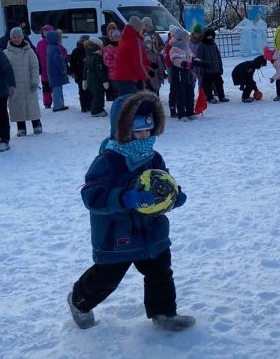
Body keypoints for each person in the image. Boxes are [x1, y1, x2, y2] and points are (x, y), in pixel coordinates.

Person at [67, 90, 194, 332]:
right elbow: (91, 195)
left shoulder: (153, 157)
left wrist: (173, 195)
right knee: (107, 276)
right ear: (122, 131)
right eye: (138, 132)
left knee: (160, 271)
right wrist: (124, 197)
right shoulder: (108, 160)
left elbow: (163, 180)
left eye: (148, 130)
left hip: (151, 230)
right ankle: (79, 301)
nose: (144, 137)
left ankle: (164, 313)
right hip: (117, 233)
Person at [4, 27, 42, 136]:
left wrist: (35, 80)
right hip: (15, 86)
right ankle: (21, 127)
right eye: (14, 37)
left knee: (32, 105)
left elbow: (34, 67)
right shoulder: (6, 53)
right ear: (11, 38)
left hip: (29, 83)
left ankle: (36, 124)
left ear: (22, 37)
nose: (16, 39)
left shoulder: (29, 51)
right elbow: (4, 70)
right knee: (17, 106)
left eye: (18, 37)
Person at [110, 16, 148, 96]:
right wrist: (145, 77)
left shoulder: (124, 38)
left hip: (119, 75)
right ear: (138, 29)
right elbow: (137, 62)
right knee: (129, 103)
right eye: (142, 29)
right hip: (128, 76)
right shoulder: (135, 40)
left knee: (124, 101)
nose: (143, 31)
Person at [168, 28, 197, 119]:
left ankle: (190, 112)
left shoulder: (187, 47)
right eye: (185, 37)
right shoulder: (174, 49)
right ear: (180, 38)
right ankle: (181, 113)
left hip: (188, 73)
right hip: (179, 73)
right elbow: (175, 59)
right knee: (181, 93)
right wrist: (183, 63)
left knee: (190, 92)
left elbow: (192, 56)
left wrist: (198, 61)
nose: (187, 39)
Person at [197, 28, 229, 102]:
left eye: (212, 36)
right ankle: (210, 97)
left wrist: (220, 67)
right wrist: (202, 68)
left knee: (219, 83)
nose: (210, 38)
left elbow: (218, 57)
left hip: (216, 68)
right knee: (208, 85)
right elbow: (199, 58)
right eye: (209, 36)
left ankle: (221, 96)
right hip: (207, 70)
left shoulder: (214, 44)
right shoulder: (202, 45)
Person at [83, 37, 108, 117]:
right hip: (96, 80)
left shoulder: (88, 56)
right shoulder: (97, 57)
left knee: (97, 94)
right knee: (98, 94)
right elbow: (100, 70)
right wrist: (105, 81)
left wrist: (84, 80)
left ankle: (99, 108)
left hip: (90, 79)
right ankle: (96, 111)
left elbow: (85, 69)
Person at [46, 29, 69, 112]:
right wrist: (62, 69)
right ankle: (58, 106)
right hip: (56, 73)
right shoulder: (56, 48)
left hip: (52, 72)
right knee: (57, 90)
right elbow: (58, 60)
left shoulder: (49, 47)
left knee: (57, 89)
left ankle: (60, 104)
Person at [69, 35, 91, 112]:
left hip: (89, 74)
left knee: (90, 90)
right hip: (79, 74)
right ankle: (84, 106)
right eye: (82, 41)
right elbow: (72, 63)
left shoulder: (90, 50)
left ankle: (89, 105)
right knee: (82, 91)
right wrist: (72, 72)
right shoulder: (75, 51)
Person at [35, 23, 55, 108]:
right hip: (44, 70)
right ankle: (47, 103)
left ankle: (57, 102)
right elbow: (37, 55)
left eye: (47, 31)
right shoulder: (40, 43)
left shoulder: (54, 42)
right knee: (46, 88)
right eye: (44, 31)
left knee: (55, 88)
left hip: (54, 70)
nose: (45, 33)